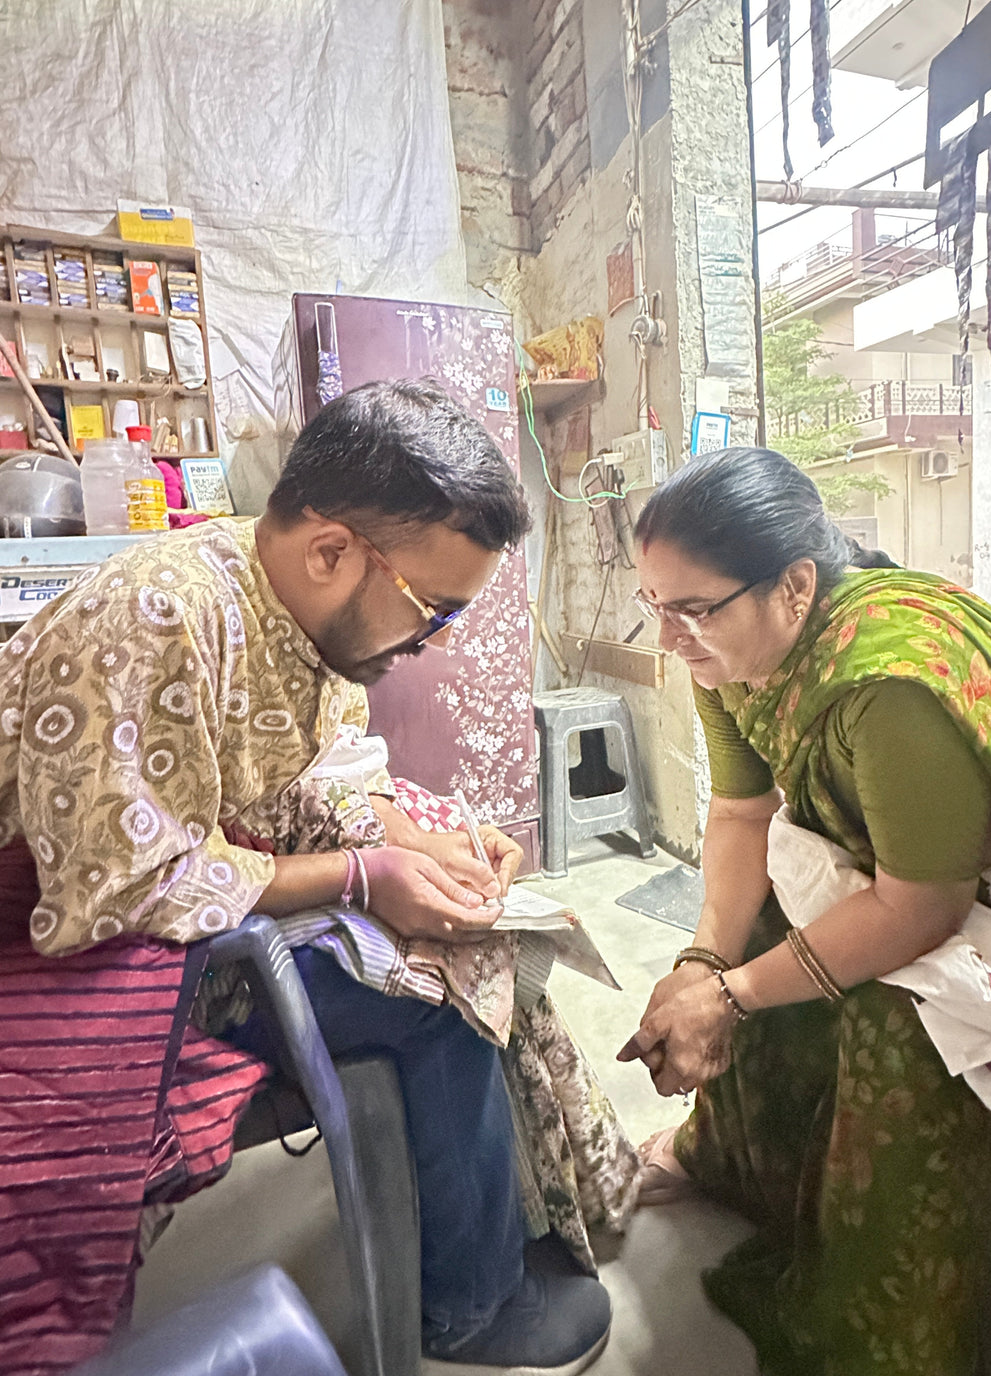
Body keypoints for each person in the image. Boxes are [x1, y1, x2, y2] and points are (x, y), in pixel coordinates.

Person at [0, 380, 610, 1375]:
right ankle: (471, 1306)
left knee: (465, 920)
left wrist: (422, 840)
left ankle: (502, 1221)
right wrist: (367, 880)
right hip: (63, 926)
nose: (440, 640)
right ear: (333, 551)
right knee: (431, 993)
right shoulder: (158, 611)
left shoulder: (293, 609)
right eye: (434, 609)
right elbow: (111, 886)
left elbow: (322, 778)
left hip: (174, 869)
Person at [617, 445, 991, 1376]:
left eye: (692, 609)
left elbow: (919, 911)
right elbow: (743, 812)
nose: (667, 638)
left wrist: (735, 996)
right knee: (745, 931)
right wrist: (703, 966)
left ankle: (885, 1326)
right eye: (653, 605)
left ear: (794, 586)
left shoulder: (886, 684)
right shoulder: (734, 660)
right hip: (931, 873)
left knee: (902, 1022)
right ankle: (741, 1167)